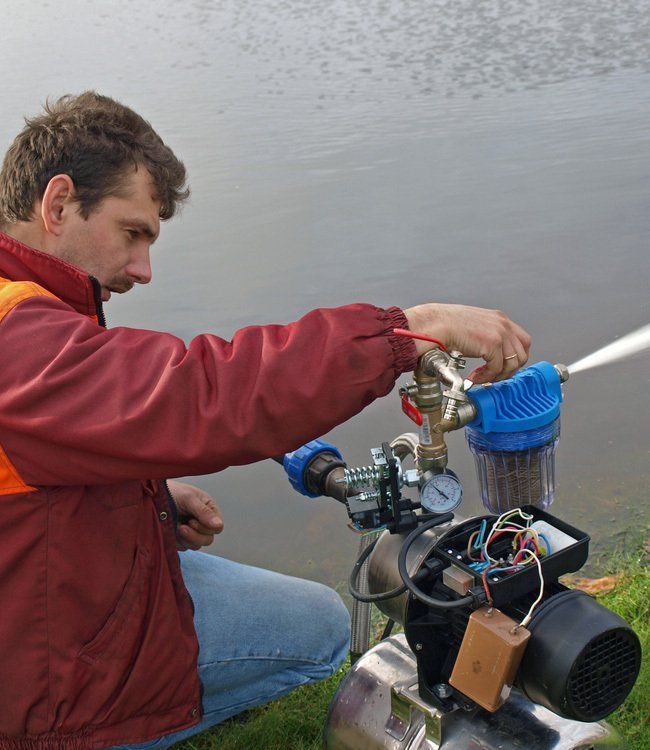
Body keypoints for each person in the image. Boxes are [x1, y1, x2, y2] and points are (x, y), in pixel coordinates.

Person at [0, 92, 531, 750]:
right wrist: (405, 332)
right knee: (321, 632)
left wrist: (147, 498)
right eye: (132, 232)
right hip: (33, 673)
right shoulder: (16, 340)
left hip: (33, 595)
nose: (142, 268)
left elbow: (39, 448)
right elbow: (203, 394)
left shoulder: (25, 309)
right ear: (57, 206)